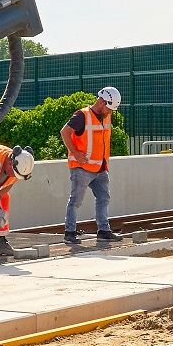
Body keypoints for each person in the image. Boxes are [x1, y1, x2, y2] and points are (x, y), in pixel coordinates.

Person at [60, 87, 120, 246]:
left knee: (103, 198)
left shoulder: (106, 117)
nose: (110, 112)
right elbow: (64, 132)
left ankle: (103, 231)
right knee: (76, 201)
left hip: (100, 167)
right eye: (109, 108)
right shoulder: (82, 116)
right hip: (82, 168)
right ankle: (70, 233)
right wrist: (76, 153)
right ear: (101, 102)